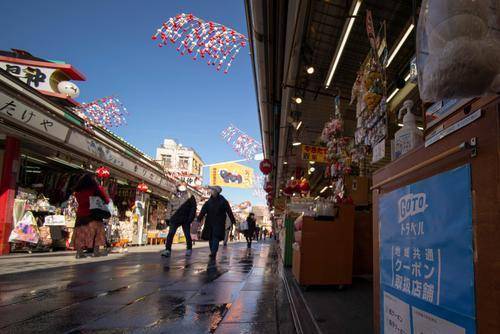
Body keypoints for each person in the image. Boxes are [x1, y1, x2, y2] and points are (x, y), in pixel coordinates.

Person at [73, 173, 110, 259]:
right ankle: (95, 252)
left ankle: (79, 253)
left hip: (81, 214)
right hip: (93, 213)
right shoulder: (96, 189)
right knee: (97, 233)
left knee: (80, 234)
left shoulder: (78, 190)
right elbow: (107, 201)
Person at [196, 186, 236, 258]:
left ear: (216, 191)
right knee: (210, 238)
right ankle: (212, 251)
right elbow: (203, 210)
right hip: (209, 222)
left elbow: (229, 211)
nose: (211, 191)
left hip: (219, 222)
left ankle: (214, 252)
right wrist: (199, 219)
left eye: (212, 190)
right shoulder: (209, 201)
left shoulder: (223, 201)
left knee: (215, 237)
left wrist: (233, 220)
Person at [161, 182, 197, 257]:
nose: (182, 186)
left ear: (186, 186)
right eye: (180, 185)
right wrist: (168, 218)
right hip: (174, 218)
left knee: (187, 234)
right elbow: (169, 207)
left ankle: (189, 249)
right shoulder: (173, 195)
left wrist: (190, 218)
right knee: (170, 234)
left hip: (185, 218)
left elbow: (193, 208)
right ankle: (167, 250)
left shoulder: (190, 196)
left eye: (184, 185)